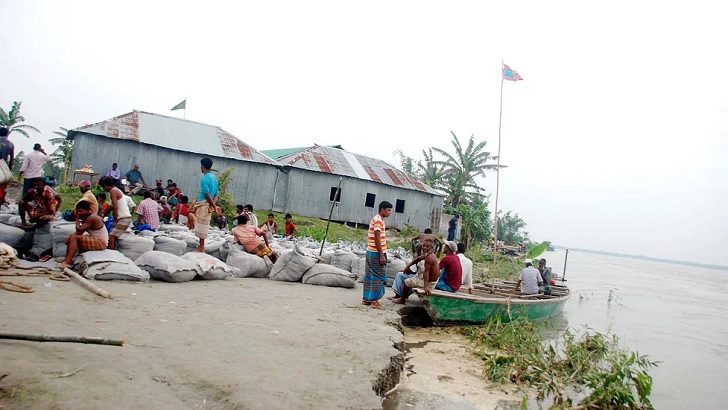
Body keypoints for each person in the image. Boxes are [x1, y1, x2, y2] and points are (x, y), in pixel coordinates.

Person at [57, 200, 108, 268]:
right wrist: (70, 237)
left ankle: (67, 262)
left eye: (80, 211)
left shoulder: (92, 217)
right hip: (95, 240)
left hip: (101, 243)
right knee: (72, 237)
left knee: (75, 237)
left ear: (88, 210)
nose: (78, 213)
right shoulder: (87, 217)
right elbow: (79, 232)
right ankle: (67, 259)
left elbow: (79, 230)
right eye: (77, 211)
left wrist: (77, 218)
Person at [362, 201, 392, 309]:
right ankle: (375, 302)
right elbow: (377, 238)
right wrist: (381, 255)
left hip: (371, 251)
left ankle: (366, 299)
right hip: (376, 253)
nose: (389, 213)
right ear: (382, 209)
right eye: (388, 210)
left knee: (369, 276)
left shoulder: (377, 219)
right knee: (379, 276)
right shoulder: (378, 220)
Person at [187, 157, 220, 252]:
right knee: (204, 224)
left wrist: (213, 205)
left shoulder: (204, 179)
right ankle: (201, 246)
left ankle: (201, 247)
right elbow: (216, 194)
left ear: (203, 166)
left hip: (204, 203)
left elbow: (207, 194)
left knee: (201, 225)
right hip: (209, 204)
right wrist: (214, 204)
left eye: (201, 165)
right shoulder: (214, 178)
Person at [392, 240, 440, 304]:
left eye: (427, 246)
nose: (425, 248)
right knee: (411, 279)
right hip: (431, 281)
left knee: (406, 282)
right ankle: (402, 296)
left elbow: (426, 273)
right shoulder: (430, 255)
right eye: (424, 246)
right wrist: (407, 266)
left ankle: (402, 300)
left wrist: (426, 287)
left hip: (429, 283)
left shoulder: (429, 258)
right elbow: (418, 258)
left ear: (431, 247)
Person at [100, 176, 132, 249]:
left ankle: (111, 254)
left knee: (111, 236)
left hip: (124, 218)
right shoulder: (116, 190)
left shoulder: (113, 191)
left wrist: (115, 220)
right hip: (123, 218)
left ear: (105, 185)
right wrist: (103, 215)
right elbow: (111, 207)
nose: (104, 189)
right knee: (111, 234)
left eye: (103, 187)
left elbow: (115, 207)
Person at [0, 127, 15, 205]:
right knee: (3, 183)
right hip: (3, 164)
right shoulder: (10, 144)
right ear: (7, 134)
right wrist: (9, 169)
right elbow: (12, 158)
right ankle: (2, 199)